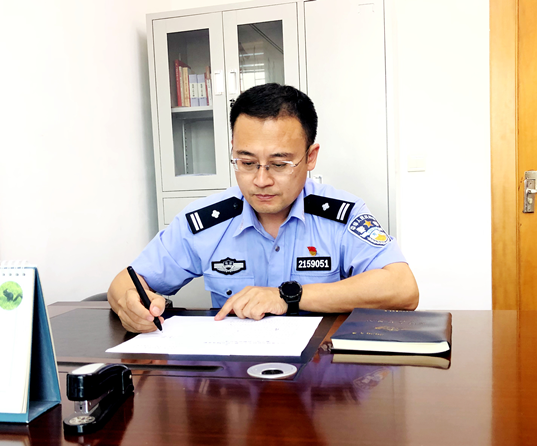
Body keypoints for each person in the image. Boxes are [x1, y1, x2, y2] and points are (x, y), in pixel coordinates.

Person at [108, 83, 418, 333]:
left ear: (310, 157)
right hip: (235, 379)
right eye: (246, 162)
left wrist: (287, 297)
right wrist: (131, 306)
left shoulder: (341, 214)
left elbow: (403, 288)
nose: (260, 180)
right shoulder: (207, 221)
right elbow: (125, 282)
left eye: (279, 164)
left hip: (319, 375)